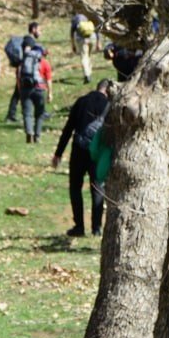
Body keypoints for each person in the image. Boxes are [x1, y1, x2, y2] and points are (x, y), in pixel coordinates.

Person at [51, 79, 112, 237]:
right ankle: (97, 227)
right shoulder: (109, 105)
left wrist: (58, 153)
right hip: (97, 153)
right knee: (97, 187)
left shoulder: (81, 101)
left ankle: (79, 226)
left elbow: (68, 129)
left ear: (97, 88)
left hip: (78, 149)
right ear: (107, 90)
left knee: (75, 187)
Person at [19, 43, 53, 143]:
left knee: (27, 113)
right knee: (40, 114)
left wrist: (20, 89)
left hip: (26, 89)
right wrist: (50, 93)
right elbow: (49, 79)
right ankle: (37, 136)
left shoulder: (25, 61)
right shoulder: (44, 63)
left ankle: (29, 132)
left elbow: (19, 75)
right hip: (39, 89)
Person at [70, 13, 97, 83]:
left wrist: (73, 45)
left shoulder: (75, 19)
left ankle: (87, 75)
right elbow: (94, 29)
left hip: (82, 40)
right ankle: (90, 72)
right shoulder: (86, 17)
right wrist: (98, 42)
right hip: (92, 38)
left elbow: (72, 32)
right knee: (89, 56)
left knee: (84, 57)